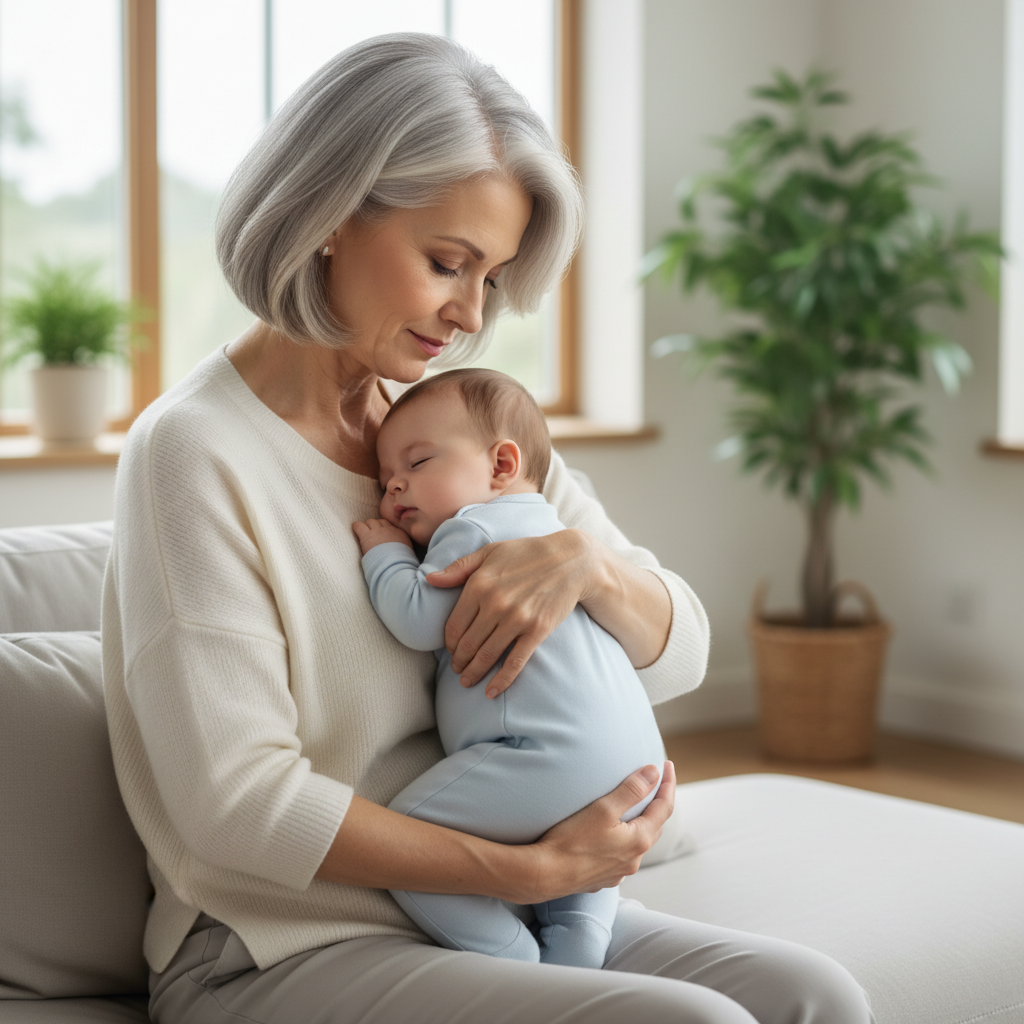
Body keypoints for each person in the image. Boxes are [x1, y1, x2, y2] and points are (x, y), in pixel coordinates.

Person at [102, 32, 875, 1024]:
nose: (468, 315)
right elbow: (237, 803)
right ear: (330, 212)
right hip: (279, 943)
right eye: (447, 263)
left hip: (486, 900)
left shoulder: (452, 431)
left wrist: (583, 564)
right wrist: (521, 868)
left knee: (816, 995)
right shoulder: (194, 451)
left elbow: (678, 651)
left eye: (492, 279)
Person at [353, 367, 667, 969]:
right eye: (386, 476)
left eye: (416, 464)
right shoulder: (555, 528)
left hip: (546, 755)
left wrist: (385, 554)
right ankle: (575, 966)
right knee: (579, 904)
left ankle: (513, 964)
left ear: (501, 465)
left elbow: (420, 620)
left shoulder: (472, 526)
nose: (393, 487)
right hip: (634, 766)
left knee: (410, 841)